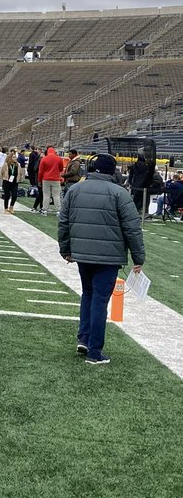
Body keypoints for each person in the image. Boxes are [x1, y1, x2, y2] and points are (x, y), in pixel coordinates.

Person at [58, 153, 145, 365]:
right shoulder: (119, 193)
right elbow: (132, 229)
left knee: (87, 293)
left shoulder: (75, 189)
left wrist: (65, 249)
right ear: (111, 171)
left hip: (82, 253)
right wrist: (138, 256)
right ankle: (94, 351)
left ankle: (84, 338)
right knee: (99, 299)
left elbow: (64, 222)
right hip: (108, 256)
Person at [38, 146, 64, 215]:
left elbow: (41, 171)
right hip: (56, 179)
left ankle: (45, 210)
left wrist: (39, 180)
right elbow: (61, 169)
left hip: (46, 179)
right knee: (56, 195)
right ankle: (58, 211)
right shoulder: (59, 159)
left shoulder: (44, 159)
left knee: (46, 195)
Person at [1, 149, 21, 214]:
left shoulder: (17, 165)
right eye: (14, 157)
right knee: (7, 195)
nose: (15, 159)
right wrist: (4, 178)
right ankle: (6, 208)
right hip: (6, 182)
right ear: (10, 158)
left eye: (15, 157)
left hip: (14, 182)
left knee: (14, 195)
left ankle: (11, 206)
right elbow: (1, 172)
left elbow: (19, 173)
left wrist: (19, 178)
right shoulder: (6, 164)